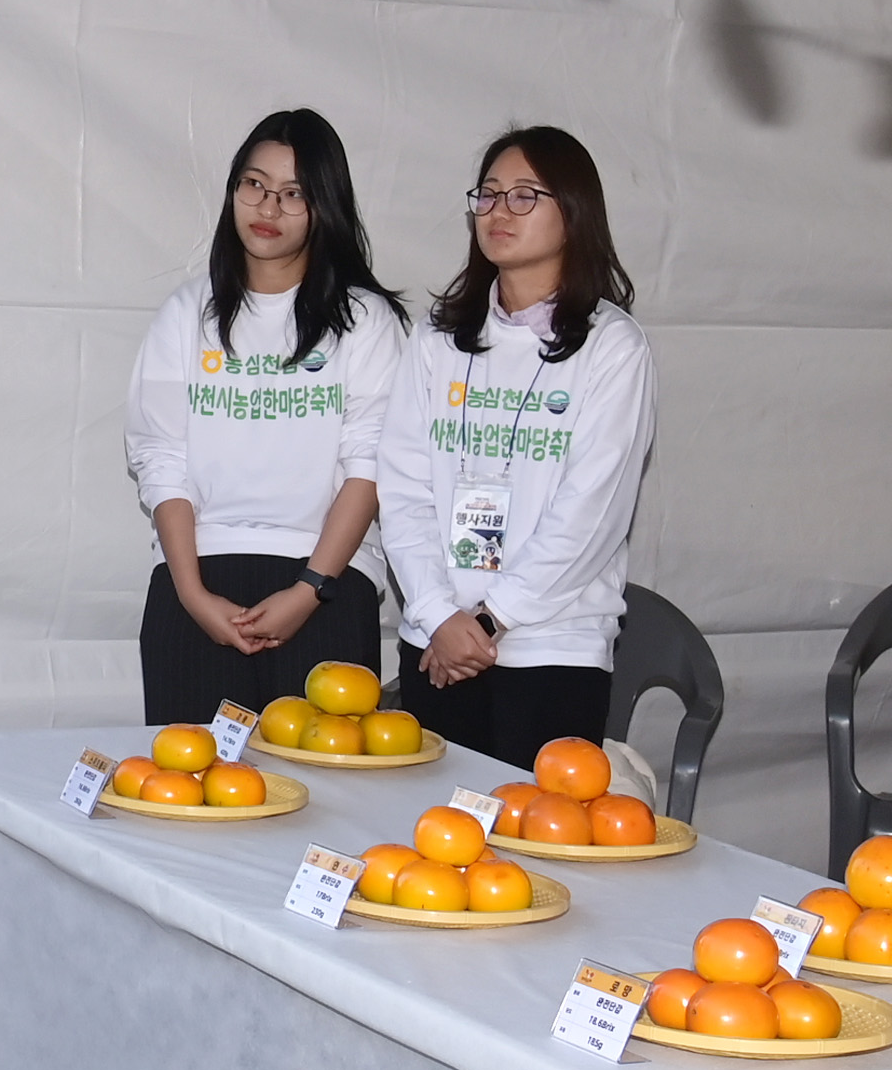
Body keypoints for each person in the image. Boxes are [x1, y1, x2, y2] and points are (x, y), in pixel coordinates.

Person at [376, 126, 658, 767]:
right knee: (436, 846)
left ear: (575, 213)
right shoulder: (439, 338)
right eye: (490, 194)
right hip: (436, 644)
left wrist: (486, 623)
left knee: (529, 854)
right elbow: (402, 487)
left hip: (549, 647)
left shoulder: (612, 346)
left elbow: (592, 512)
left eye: (526, 195)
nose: (499, 211)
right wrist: (437, 614)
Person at [122, 108, 404, 723]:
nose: (268, 208)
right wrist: (192, 595)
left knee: (328, 806)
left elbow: (370, 465)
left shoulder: (366, 321)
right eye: (253, 185)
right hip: (199, 579)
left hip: (328, 585)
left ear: (325, 205)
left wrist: (310, 590)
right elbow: (159, 458)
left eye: (293, 194)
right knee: (189, 800)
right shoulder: (186, 312)